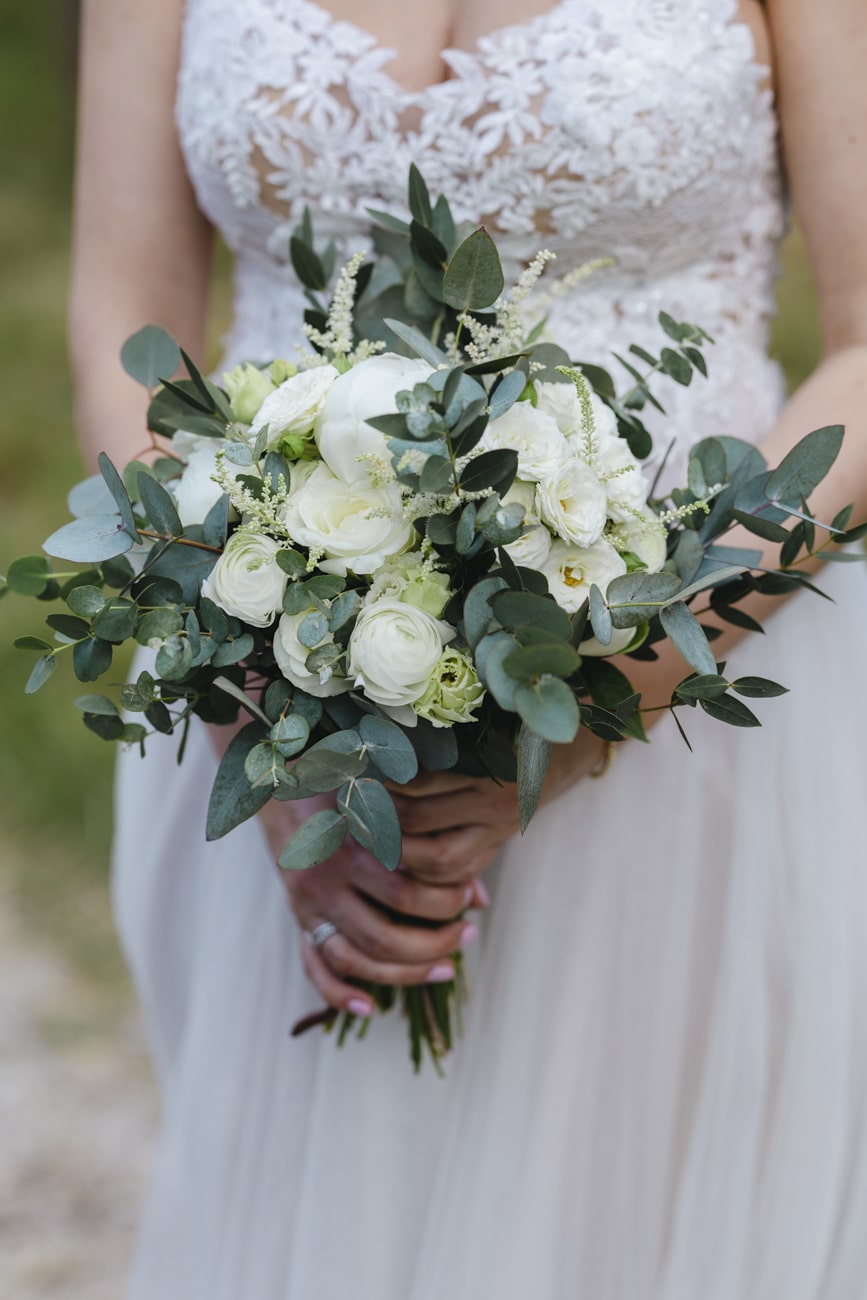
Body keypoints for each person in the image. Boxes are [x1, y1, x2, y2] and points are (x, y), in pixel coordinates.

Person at [70, 1, 867, 1296]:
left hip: (692, 715)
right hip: (281, 715)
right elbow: (125, 310)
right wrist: (257, 716)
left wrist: (612, 689)